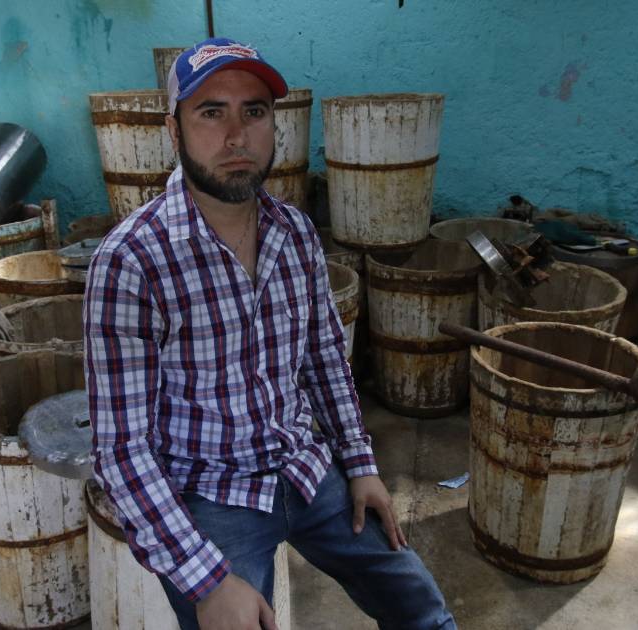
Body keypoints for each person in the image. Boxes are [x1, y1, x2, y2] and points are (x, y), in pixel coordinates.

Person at [85, 37, 456, 630]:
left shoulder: (295, 233)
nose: (237, 136)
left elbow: (324, 361)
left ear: (274, 125)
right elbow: (122, 450)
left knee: (423, 610)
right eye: (212, 112)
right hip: (210, 492)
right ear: (174, 131)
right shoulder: (132, 260)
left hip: (304, 468)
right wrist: (207, 581)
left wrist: (360, 465)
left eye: (253, 111)